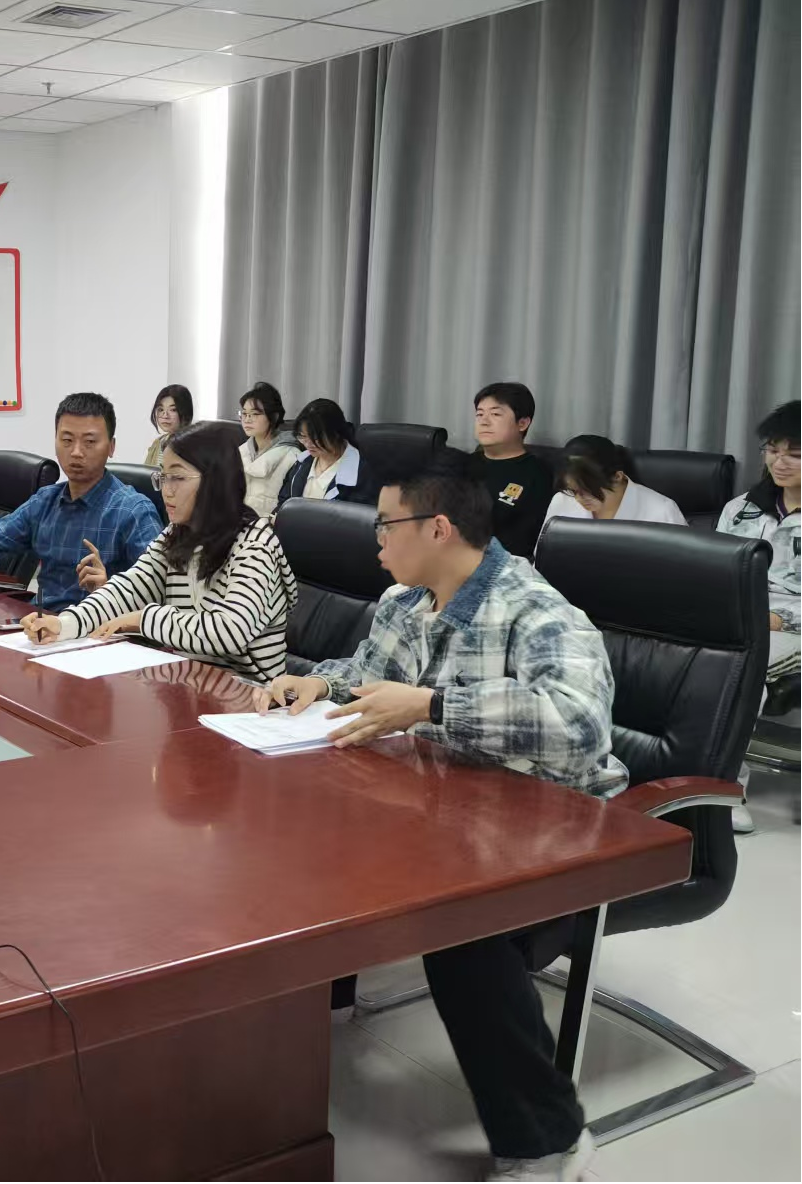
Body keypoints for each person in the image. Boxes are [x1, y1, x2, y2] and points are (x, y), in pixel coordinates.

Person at [255, 449, 623, 1182]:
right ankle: (320, 1004)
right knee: (289, 838)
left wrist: (432, 705)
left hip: (550, 823)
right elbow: (369, 680)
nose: (376, 541)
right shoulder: (404, 603)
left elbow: (580, 723)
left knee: (460, 927)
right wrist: (315, 683)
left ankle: (547, 1141)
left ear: (438, 528)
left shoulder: (535, 609)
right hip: (440, 805)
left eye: (385, 524)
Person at [21, 420, 297, 679]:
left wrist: (144, 619)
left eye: (177, 478)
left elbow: (229, 632)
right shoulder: (176, 535)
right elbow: (128, 589)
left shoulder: (255, 545)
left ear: (215, 481)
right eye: (163, 477)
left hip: (252, 696)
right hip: (190, 685)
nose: (166, 490)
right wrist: (66, 624)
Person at [0, 392, 163, 611]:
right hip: (41, 626)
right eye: (67, 440)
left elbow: (159, 593)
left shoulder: (133, 511)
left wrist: (109, 590)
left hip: (98, 635)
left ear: (111, 447)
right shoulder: (46, 501)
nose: (76, 452)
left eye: (90, 442)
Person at [718, 402, 801, 834]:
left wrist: (779, 618)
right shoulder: (741, 509)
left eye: (795, 454)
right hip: (731, 615)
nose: (779, 462)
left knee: (739, 672)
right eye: (772, 450)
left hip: (789, 628)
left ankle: (725, 793)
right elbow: (712, 568)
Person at [467, 382, 555, 557]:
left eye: (495, 414)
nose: (484, 421)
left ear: (522, 423)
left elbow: (526, 543)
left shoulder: (539, 475)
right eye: (479, 414)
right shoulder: (461, 464)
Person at [543, 435, 685, 526]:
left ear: (617, 477)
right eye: (574, 491)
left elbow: (681, 564)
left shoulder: (662, 512)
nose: (579, 498)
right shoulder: (562, 501)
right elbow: (544, 558)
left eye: (588, 489)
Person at [276, 398, 377, 506]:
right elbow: (284, 501)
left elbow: (358, 514)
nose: (308, 444)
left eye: (315, 438)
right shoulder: (301, 462)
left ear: (336, 433)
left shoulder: (361, 473)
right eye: (303, 436)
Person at [237, 381, 300, 517]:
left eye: (254, 414)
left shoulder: (293, 456)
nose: (247, 419)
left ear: (274, 417)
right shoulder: (239, 452)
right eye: (244, 413)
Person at [143, 384, 194, 467]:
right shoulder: (157, 443)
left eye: (173, 410)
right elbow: (145, 473)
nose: (165, 415)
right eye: (161, 409)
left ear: (185, 412)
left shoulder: (193, 445)